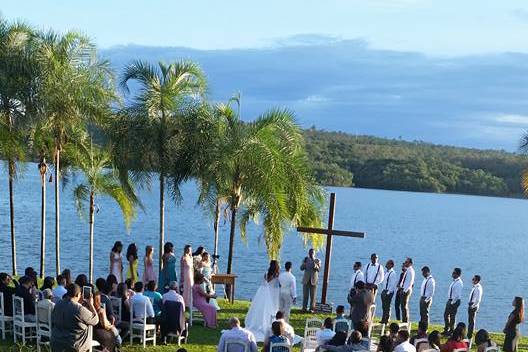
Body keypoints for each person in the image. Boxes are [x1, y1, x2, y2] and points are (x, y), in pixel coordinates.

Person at [50, 283, 99, 352]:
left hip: (56, 342)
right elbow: (95, 320)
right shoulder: (79, 309)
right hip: (73, 345)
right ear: (78, 295)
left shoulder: (58, 304)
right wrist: (91, 304)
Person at [245, 260, 280, 341]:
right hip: (271, 293)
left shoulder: (267, 272)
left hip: (263, 291)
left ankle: (262, 321)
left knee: (261, 307)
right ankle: (268, 322)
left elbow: (265, 281)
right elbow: (269, 282)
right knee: (269, 308)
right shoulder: (276, 274)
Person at [443, 268, 463, 336]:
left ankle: (451, 330)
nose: (452, 274)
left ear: (458, 274)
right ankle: (447, 329)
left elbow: (457, 295)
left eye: (454, 273)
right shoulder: (454, 281)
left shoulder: (459, 282)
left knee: (452, 316)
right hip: (450, 300)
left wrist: (452, 302)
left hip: (454, 301)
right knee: (446, 315)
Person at [300, 248, 321, 312]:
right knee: (305, 295)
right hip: (306, 280)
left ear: (314, 253)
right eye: (310, 252)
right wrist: (305, 263)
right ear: (308, 253)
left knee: (313, 296)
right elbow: (301, 268)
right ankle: (304, 308)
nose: (311, 254)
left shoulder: (317, 260)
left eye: (312, 252)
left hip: (314, 280)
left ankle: (312, 308)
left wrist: (314, 263)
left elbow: (319, 269)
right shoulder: (305, 259)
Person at [380, 259, 398, 324]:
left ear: (391, 265)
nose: (386, 264)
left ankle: (387, 320)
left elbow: (393, 284)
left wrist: (388, 292)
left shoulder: (393, 273)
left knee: (387, 306)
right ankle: (383, 319)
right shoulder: (386, 272)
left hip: (388, 292)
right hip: (384, 290)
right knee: (383, 306)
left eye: (388, 263)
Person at [399, 257, 415, 323]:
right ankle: (404, 320)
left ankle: (405, 321)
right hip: (404, 289)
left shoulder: (411, 271)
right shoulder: (407, 270)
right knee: (402, 306)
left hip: (406, 290)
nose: (405, 263)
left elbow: (410, 282)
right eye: (405, 262)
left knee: (404, 306)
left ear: (410, 263)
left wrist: (404, 290)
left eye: (407, 262)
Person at [467, 274, 483, 339]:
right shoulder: (475, 287)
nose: (472, 280)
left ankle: (470, 334)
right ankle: (469, 333)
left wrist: (473, 306)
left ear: (477, 280)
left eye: (473, 279)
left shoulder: (478, 288)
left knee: (471, 321)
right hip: (471, 304)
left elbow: (478, 300)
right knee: (470, 320)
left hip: (473, 306)